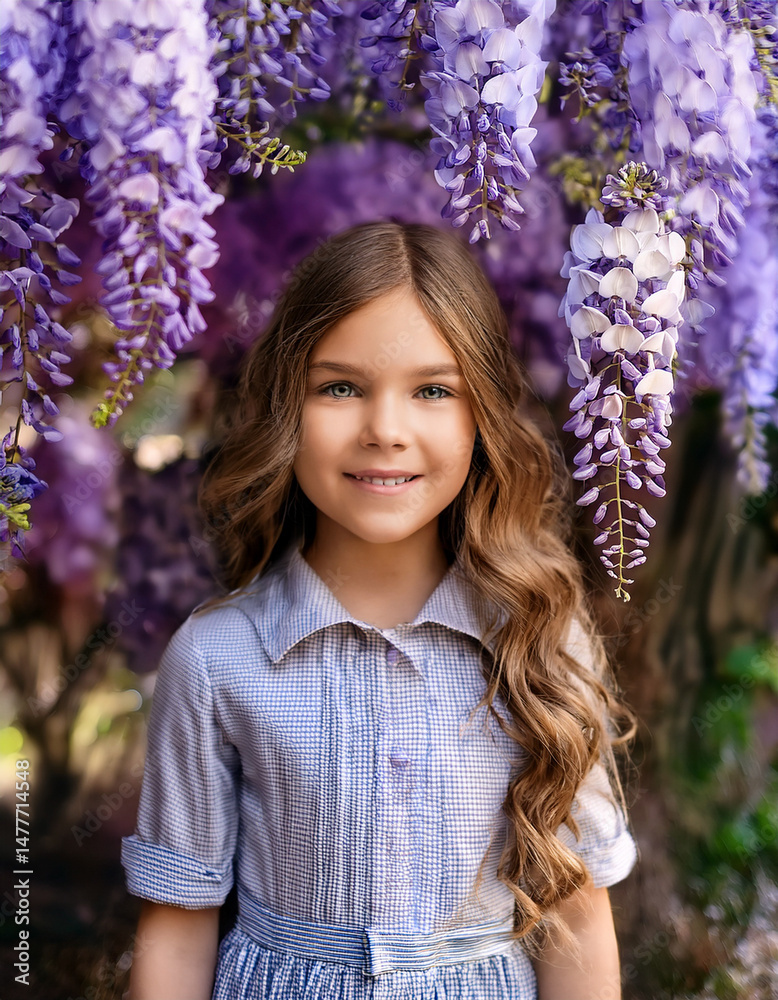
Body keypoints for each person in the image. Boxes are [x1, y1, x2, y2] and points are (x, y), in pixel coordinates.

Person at [121, 219, 639, 1000]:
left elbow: (578, 916)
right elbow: (178, 925)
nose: (385, 431)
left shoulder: (540, 640)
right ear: (286, 409)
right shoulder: (216, 657)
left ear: (481, 418)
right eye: (340, 387)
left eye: (433, 390)